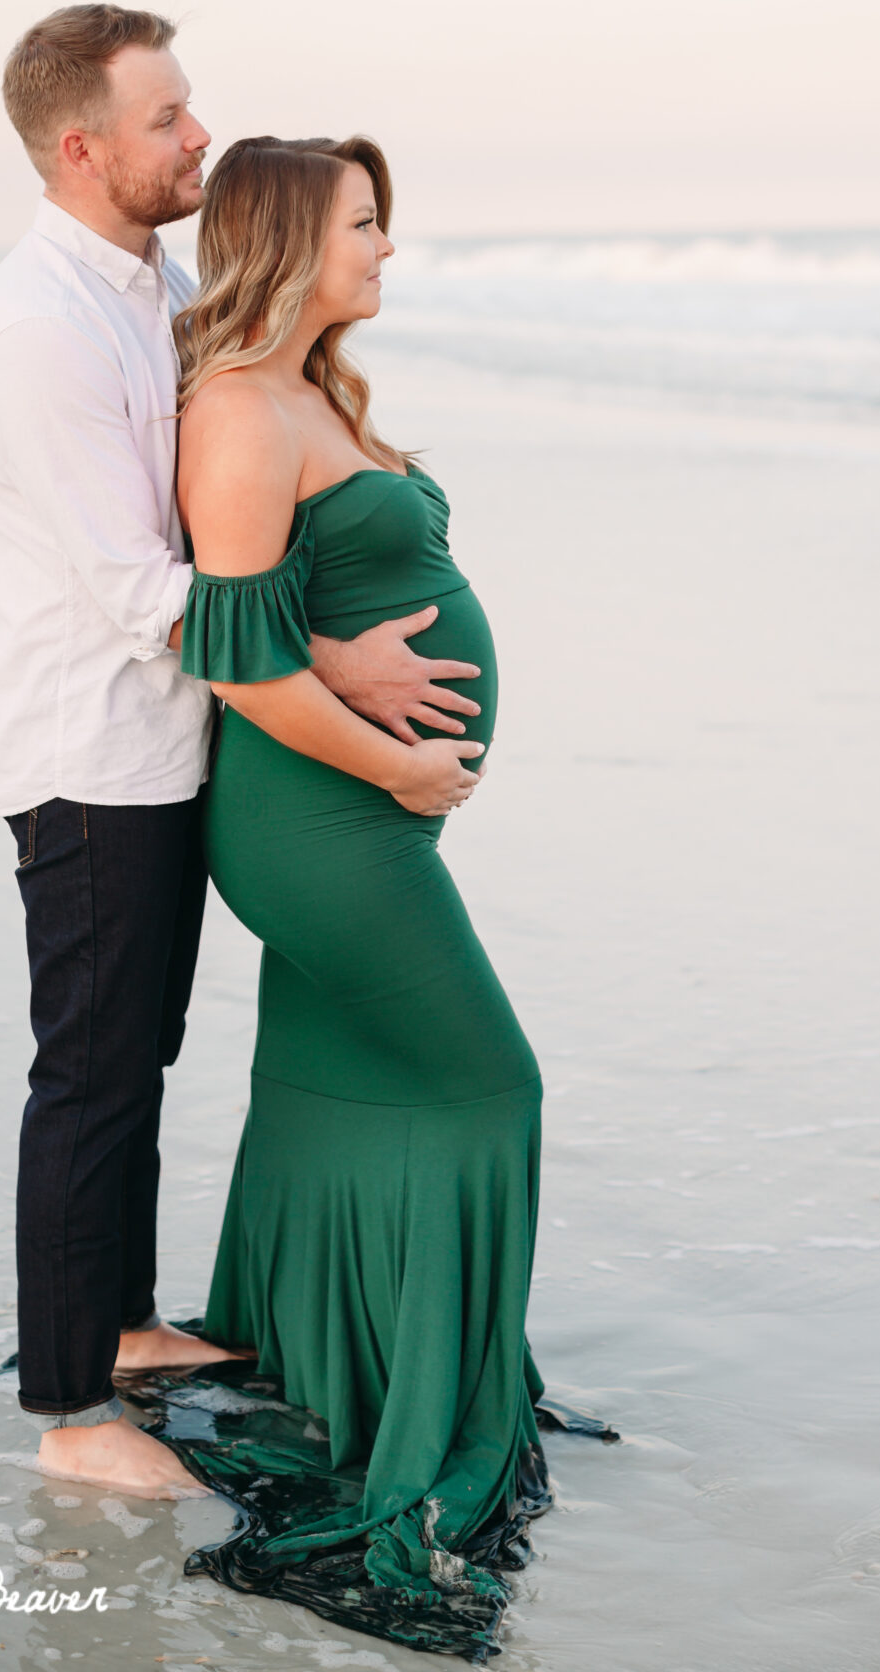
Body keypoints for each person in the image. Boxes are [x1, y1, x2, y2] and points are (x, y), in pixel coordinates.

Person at [0, 7, 485, 1498]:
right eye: (169, 118)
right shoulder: (38, 329)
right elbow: (139, 589)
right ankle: (71, 1411)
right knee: (93, 1073)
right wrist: (338, 662)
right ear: (82, 146)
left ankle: (120, 1327)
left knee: (143, 1053)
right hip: (90, 755)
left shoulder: (148, 285)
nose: (199, 138)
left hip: (171, 746)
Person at [164, 134, 561, 1654]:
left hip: (360, 811)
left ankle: (320, 1374)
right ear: (286, 240)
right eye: (365, 224)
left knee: (333, 1080)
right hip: (317, 820)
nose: (386, 249)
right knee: (485, 1088)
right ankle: (425, 1427)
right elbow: (238, 659)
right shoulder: (241, 414)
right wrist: (395, 775)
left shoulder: (313, 391)